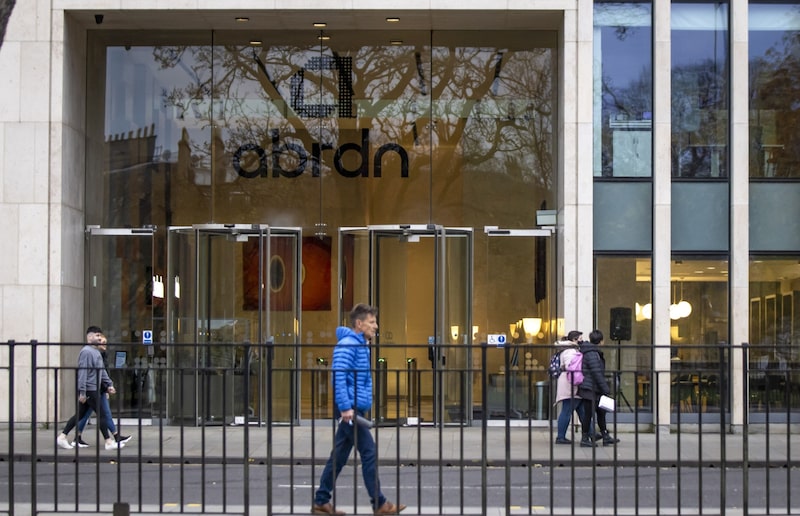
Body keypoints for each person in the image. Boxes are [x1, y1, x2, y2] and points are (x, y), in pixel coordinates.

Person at [312, 304, 406, 516]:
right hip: (350, 409)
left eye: (375, 322)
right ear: (359, 324)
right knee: (369, 452)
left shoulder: (360, 344)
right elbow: (338, 375)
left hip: (354, 408)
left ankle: (321, 500)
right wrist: (345, 409)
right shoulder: (348, 344)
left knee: (339, 456)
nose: (376, 326)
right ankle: (380, 503)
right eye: (372, 322)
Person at [56, 326, 125, 451]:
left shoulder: (96, 352)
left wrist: (109, 384)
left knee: (80, 415)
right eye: (97, 335)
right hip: (89, 389)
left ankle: (62, 436)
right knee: (102, 414)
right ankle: (108, 441)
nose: (99, 338)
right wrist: (82, 392)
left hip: (93, 388)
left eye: (100, 335)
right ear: (89, 337)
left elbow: (101, 371)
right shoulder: (86, 352)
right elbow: (83, 373)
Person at [73, 333, 132, 448]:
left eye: (105, 342)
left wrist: (108, 385)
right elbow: (91, 373)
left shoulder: (100, 355)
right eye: (102, 343)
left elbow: (102, 373)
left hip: (98, 389)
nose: (104, 345)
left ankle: (113, 437)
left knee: (93, 414)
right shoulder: (91, 354)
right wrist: (85, 391)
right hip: (94, 390)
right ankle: (110, 439)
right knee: (98, 414)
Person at [577, 329, 619, 447]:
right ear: (600, 341)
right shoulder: (591, 353)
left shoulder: (593, 351)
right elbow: (596, 372)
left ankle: (605, 435)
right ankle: (584, 438)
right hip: (590, 388)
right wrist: (605, 388)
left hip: (594, 388)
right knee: (588, 414)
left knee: (601, 412)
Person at [553, 331, 585, 444]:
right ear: (575, 339)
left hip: (569, 383)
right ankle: (560, 437)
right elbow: (571, 367)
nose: (582, 340)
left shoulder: (567, 349)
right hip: (570, 384)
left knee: (582, 410)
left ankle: (591, 432)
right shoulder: (571, 351)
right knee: (567, 410)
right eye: (581, 338)